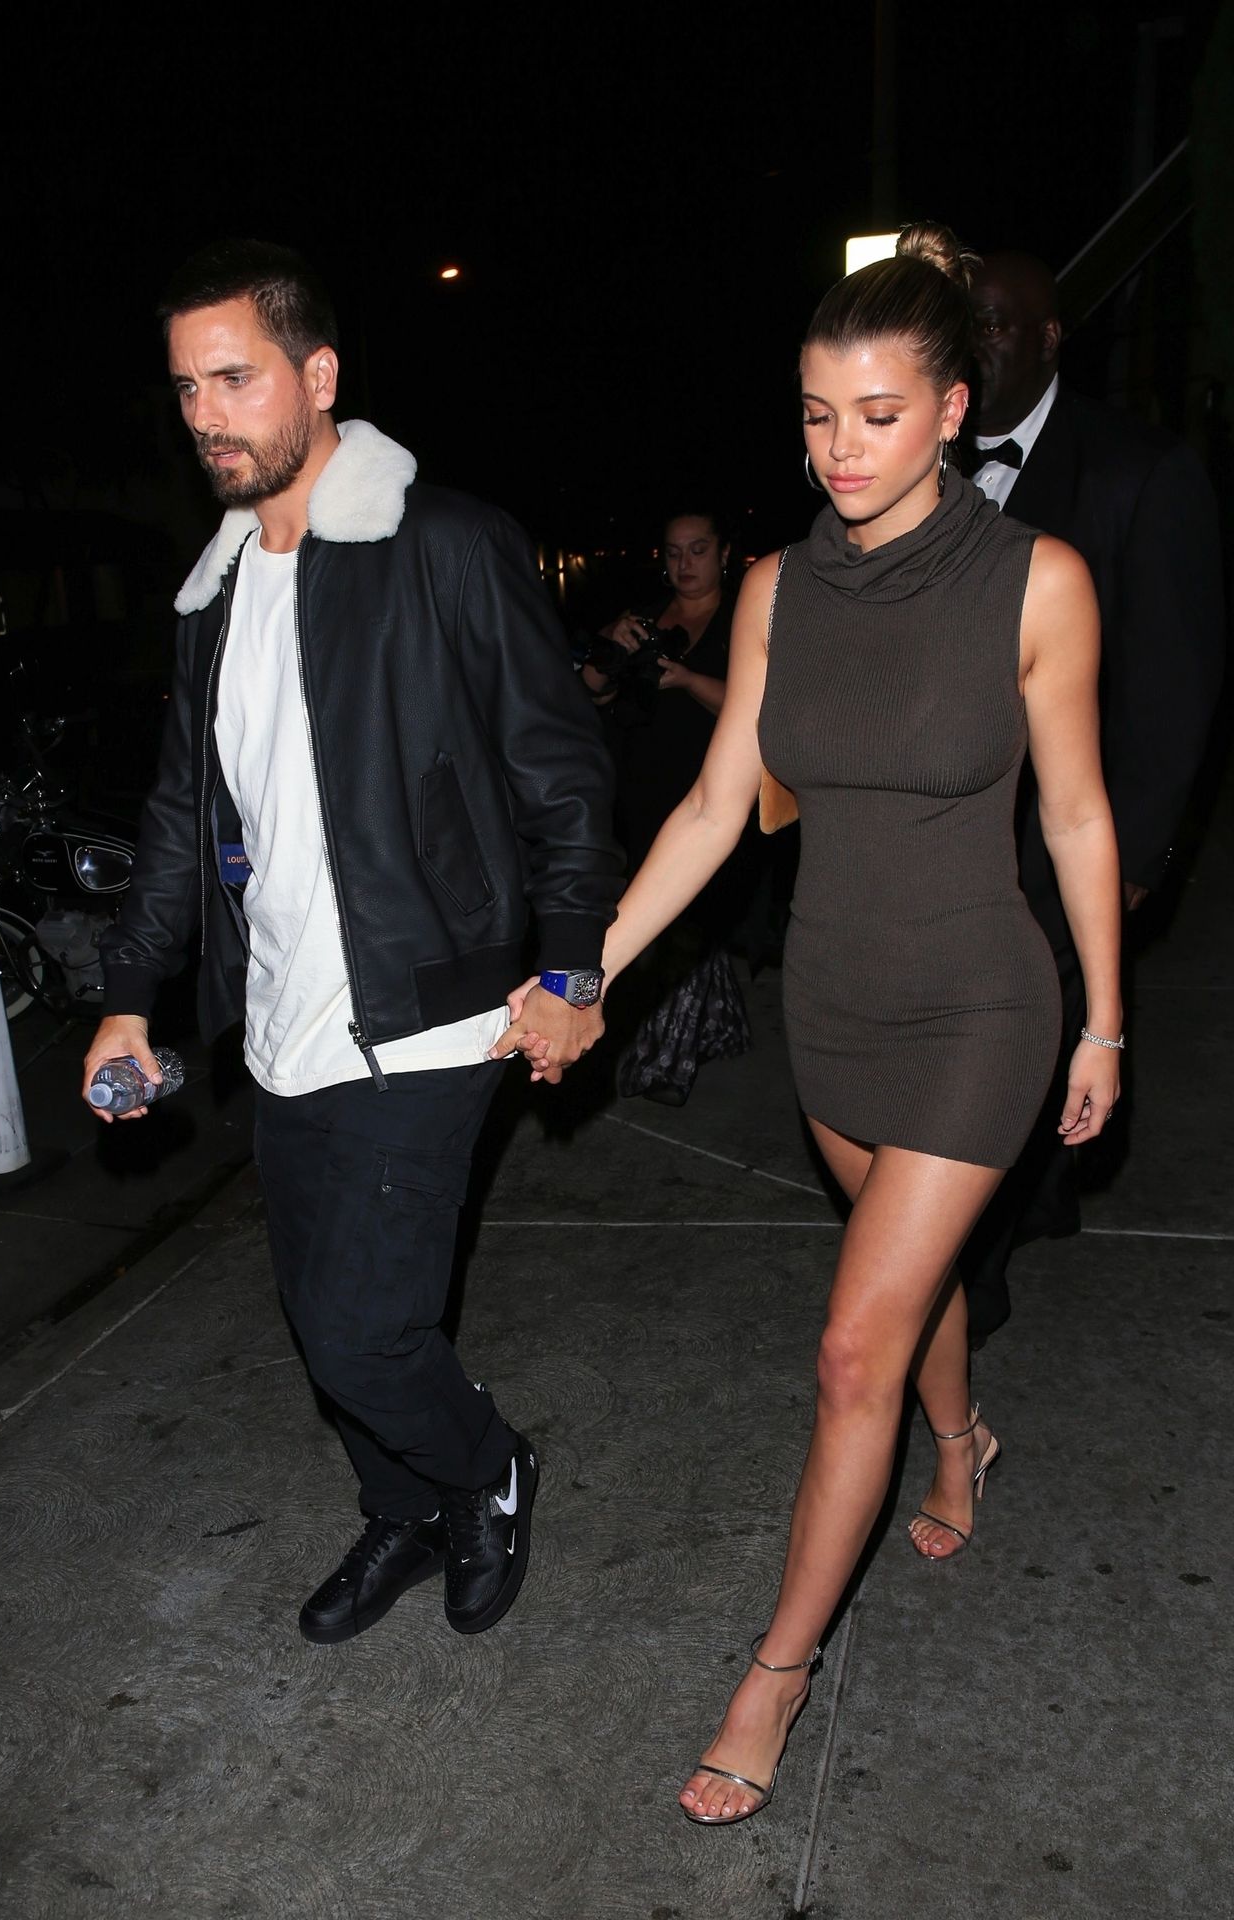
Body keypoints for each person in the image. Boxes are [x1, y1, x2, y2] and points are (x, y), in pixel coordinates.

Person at [497, 222, 1121, 1824]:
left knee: (851, 1346)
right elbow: (718, 811)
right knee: (909, 1282)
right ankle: (963, 1439)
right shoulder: (777, 591)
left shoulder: (1038, 582)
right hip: (834, 1005)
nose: (842, 448)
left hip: (983, 1003)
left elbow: (1076, 816)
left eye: (880, 415)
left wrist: (1106, 1021)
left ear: (954, 410)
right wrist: (585, 970)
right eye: (817, 415)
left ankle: (771, 1679)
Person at [83, 240, 620, 1646]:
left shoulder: (442, 543)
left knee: (363, 1330)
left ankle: (486, 1470)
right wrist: (130, 996)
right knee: (322, 1324)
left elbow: (561, 772)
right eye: (186, 387)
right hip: (281, 1025)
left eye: (236, 379)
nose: (207, 415)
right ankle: (405, 1508)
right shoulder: (212, 599)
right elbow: (180, 813)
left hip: (431, 1009)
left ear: (318, 376)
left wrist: (573, 968)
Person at [960, 251, 1225, 1344]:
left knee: (1004, 1061)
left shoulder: (1139, 472)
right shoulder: (913, 457)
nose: (974, 342)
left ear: (1049, 338)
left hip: (1062, 838)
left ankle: (963, 1288)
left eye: (994, 323)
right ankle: (1037, 1197)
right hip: (946, 835)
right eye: (960, 324)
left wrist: (1134, 867)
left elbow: (1173, 691)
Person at [583, 512, 752, 1103]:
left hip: (712, 790)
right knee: (660, 914)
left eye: (698, 550)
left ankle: (666, 1060)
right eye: (674, 552)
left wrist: (687, 681)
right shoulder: (647, 617)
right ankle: (719, 1024)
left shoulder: (744, 616)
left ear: (723, 553)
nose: (685, 564)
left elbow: (760, 707)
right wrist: (609, 646)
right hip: (639, 785)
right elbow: (592, 691)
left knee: (688, 923)